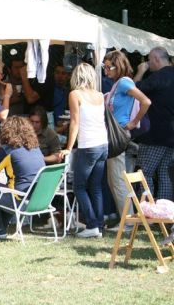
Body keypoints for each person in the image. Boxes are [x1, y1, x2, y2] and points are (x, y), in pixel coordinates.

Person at [59, 63, 108, 239]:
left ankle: (92, 224)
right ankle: (99, 225)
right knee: (95, 187)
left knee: (79, 187)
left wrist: (68, 148)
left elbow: (75, 122)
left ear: (76, 77)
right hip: (103, 143)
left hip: (88, 145)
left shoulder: (75, 94)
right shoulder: (100, 95)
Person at [102, 50, 151, 220]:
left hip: (119, 135)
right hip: (116, 135)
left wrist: (132, 123)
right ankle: (127, 218)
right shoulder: (118, 84)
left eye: (108, 67)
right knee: (115, 180)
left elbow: (146, 101)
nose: (105, 71)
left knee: (117, 181)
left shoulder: (124, 83)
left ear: (118, 66)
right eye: (104, 67)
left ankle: (128, 221)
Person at [0, 116, 45, 240]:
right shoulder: (35, 148)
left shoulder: (7, 150)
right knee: (5, 188)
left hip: (21, 202)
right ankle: (1, 228)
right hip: (41, 201)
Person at [134, 47, 174, 201]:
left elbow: (133, 89)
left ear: (157, 59)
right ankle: (164, 214)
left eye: (149, 60)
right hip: (171, 135)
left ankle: (146, 210)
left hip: (154, 135)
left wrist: (140, 72)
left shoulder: (158, 77)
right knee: (165, 174)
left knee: (145, 173)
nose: (148, 63)